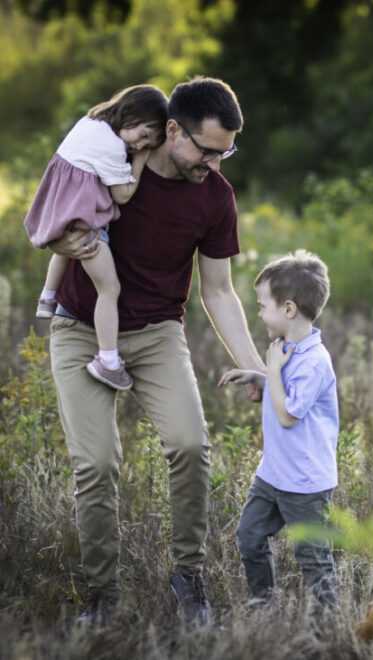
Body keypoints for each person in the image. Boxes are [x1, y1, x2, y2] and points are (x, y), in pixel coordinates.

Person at [46, 76, 265, 627]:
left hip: (157, 332)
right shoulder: (114, 161)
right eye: (207, 150)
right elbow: (54, 199)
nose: (215, 163)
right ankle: (100, 596)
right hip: (80, 329)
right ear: (172, 130)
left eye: (227, 152)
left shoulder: (217, 196)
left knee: (192, 445)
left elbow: (218, 290)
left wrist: (256, 365)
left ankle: (189, 577)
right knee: (96, 464)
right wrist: (59, 238)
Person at [218, 249, 339, 615]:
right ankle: (264, 605)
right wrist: (259, 375)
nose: (258, 313)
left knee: (312, 558)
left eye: (263, 305)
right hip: (272, 474)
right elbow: (280, 387)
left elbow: (287, 416)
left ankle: (328, 623)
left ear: (288, 309)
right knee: (249, 536)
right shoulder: (285, 350)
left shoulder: (314, 361)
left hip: (304, 482)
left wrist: (270, 371)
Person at [25, 84, 169, 390]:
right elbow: (123, 195)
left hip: (64, 209)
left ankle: (48, 296)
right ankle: (108, 360)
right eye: (143, 135)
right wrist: (141, 160)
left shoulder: (89, 123)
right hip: (83, 219)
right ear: (130, 112)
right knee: (109, 287)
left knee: (66, 249)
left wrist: (138, 146)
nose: (138, 145)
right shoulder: (114, 147)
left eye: (147, 143)